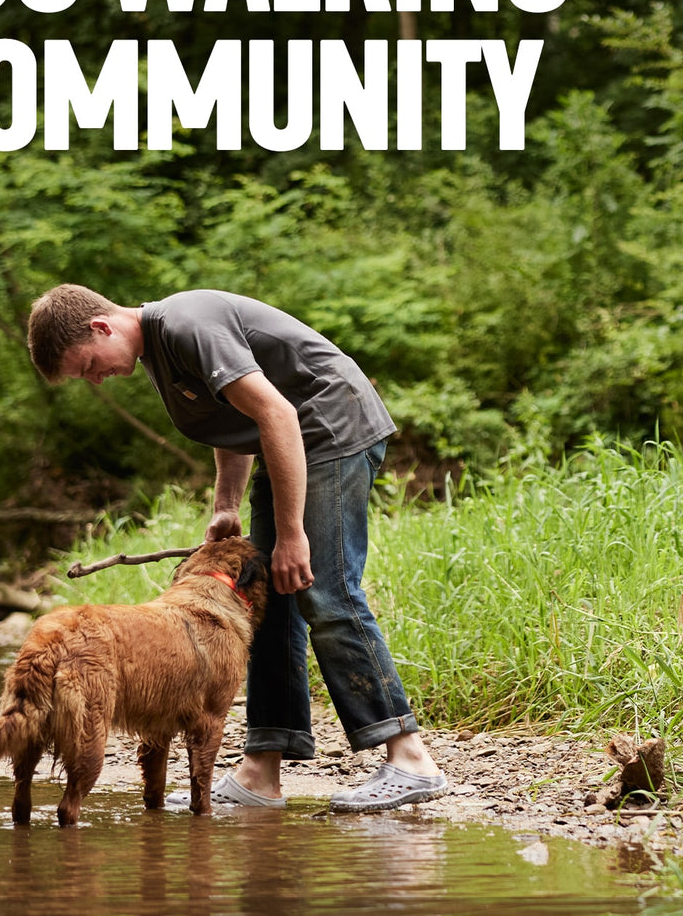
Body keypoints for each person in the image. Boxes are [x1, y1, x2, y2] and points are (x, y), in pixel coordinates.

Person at [27, 283, 447, 812]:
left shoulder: (186, 324)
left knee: (326, 591)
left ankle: (409, 757)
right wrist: (226, 504)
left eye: (87, 365)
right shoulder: (159, 352)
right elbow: (234, 422)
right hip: (291, 446)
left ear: (100, 327)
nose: (93, 379)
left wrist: (293, 534)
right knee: (264, 598)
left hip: (332, 433)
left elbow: (276, 413)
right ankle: (261, 771)